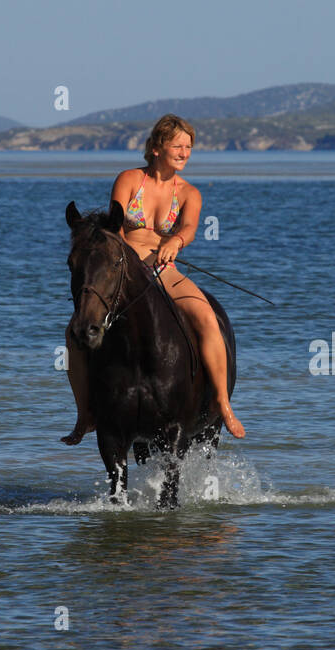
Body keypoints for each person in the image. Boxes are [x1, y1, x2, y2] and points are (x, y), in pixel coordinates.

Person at [62, 113, 245, 444]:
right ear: (157, 147)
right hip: (127, 271)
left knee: (206, 316)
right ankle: (84, 413)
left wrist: (175, 242)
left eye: (189, 147)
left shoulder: (189, 193)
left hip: (164, 271)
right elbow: (114, 229)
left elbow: (188, 228)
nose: (185, 152)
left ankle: (222, 401)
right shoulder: (130, 179)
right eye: (178, 145)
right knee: (73, 332)